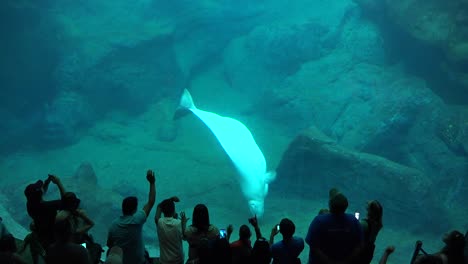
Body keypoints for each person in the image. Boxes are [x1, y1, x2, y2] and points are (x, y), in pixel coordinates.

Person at [107, 170, 156, 264]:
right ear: (134, 210)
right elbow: (151, 201)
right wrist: (152, 182)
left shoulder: (113, 225)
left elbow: (109, 245)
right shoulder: (137, 220)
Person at [305, 188, 363, 264]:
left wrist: (329, 261)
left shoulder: (319, 221)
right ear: (346, 206)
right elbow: (360, 244)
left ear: (330, 205)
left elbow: (312, 244)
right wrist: (347, 261)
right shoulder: (353, 221)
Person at [24, 174, 66, 248]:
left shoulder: (30, 204)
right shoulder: (48, 206)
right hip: (54, 236)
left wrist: (47, 182)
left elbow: (39, 194)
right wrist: (58, 182)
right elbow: (66, 202)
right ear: (40, 194)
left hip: (42, 234)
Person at [155, 196, 188, 264]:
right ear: (173, 211)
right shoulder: (178, 223)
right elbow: (185, 237)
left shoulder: (160, 222)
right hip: (178, 260)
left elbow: (159, 206)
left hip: (164, 260)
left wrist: (170, 199)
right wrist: (184, 222)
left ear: (163, 211)